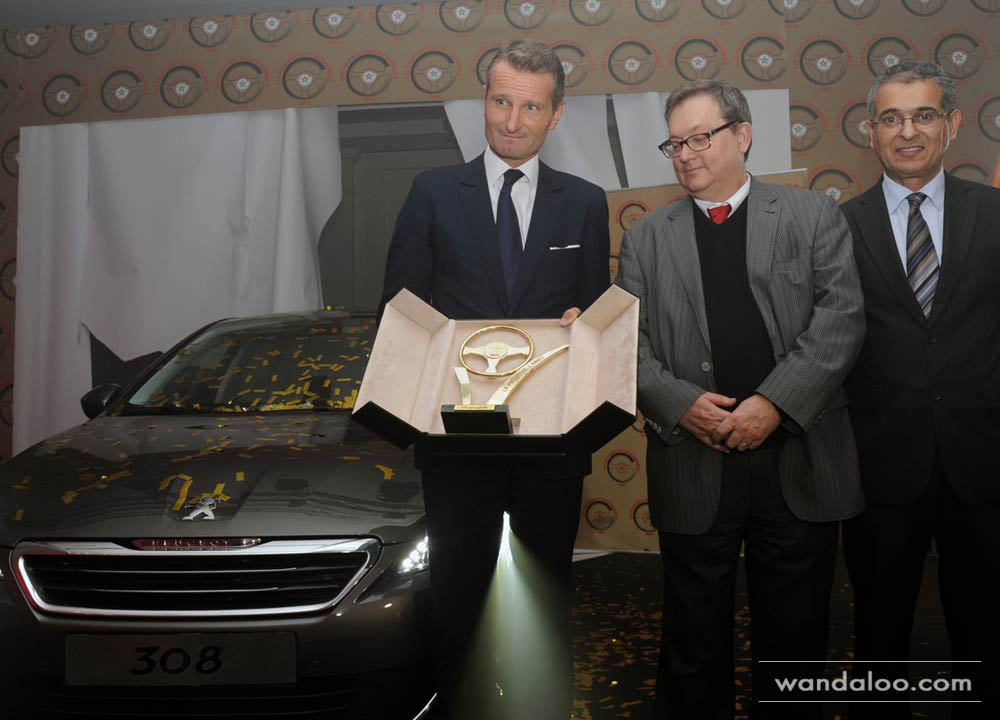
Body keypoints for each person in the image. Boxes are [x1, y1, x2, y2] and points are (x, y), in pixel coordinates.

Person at [614, 79, 865, 719]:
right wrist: (679, 403)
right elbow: (627, 345)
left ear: (743, 135)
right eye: (675, 143)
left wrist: (773, 404)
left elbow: (841, 320)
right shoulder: (646, 239)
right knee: (692, 638)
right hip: (693, 457)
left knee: (797, 637)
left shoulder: (812, 215)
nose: (686, 154)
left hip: (797, 455)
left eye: (701, 138)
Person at [378, 39, 610, 720]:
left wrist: (585, 325)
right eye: (500, 101)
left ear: (555, 115)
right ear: (483, 101)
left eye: (530, 107)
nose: (512, 121)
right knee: (458, 606)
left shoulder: (584, 202)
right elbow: (400, 312)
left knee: (546, 598)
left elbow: (596, 319)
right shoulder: (431, 192)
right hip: (457, 442)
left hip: (551, 445)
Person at [840, 60, 1000, 719]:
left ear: (952, 124)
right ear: (870, 130)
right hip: (880, 466)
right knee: (879, 634)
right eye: (892, 118)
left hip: (982, 462)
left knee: (985, 633)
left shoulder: (994, 213)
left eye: (924, 115)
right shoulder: (837, 226)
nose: (908, 131)